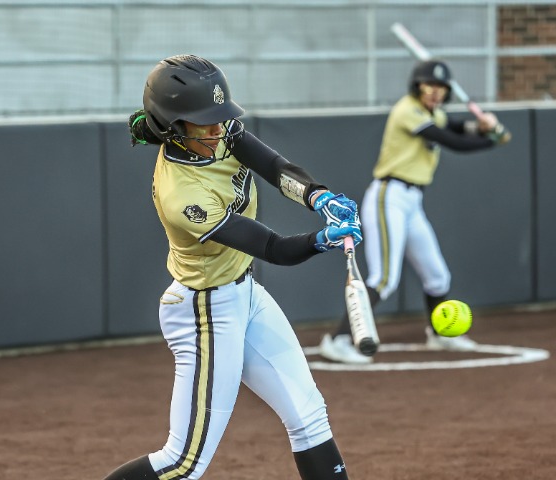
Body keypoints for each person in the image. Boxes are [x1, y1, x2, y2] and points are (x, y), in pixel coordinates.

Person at [103, 54, 362, 480]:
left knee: (309, 416)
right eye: (203, 122)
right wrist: (321, 240)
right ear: (172, 128)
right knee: (183, 462)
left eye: (219, 118)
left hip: (244, 294)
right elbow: (273, 247)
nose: (218, 128)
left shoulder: (218, 133)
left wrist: (319, 196)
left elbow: (275, 168)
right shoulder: (183, 196)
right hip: (205, 312)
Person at [319, 59, 511, 364]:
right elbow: (453, 141)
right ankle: (339, 339)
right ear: (418, 86)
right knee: (384, 279)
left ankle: (439, 334)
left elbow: (456, 125)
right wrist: (492, 139)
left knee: (437, 276)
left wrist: (484, 126)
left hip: (412, 201)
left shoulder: (433, 113)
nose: (435, 92)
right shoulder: (407, 110)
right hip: (389, 196)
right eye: (429, 85)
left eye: (441, 88)